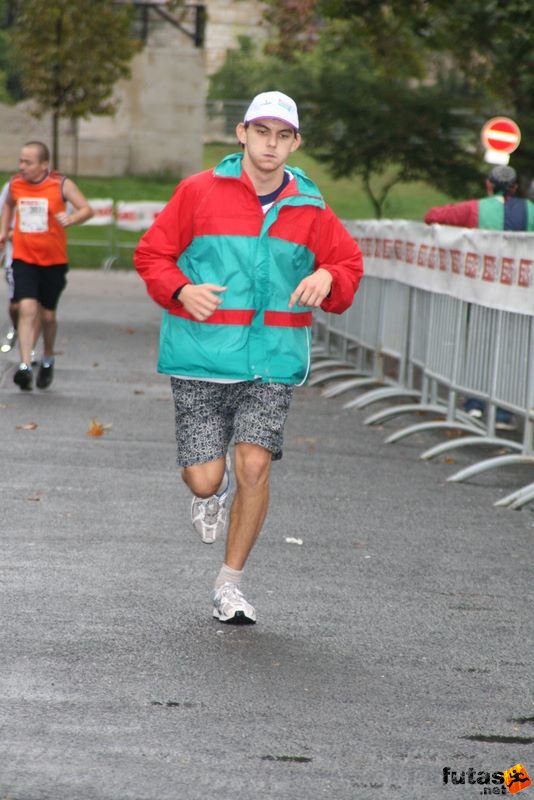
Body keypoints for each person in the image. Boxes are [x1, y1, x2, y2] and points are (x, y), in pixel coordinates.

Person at [134, 90, 363, 625]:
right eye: (262, 132)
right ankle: (209, 496)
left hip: (271, 360)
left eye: (283, 136)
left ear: (296, 142)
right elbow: (152, 254)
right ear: (242, 133)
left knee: (254, 465)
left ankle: (230, 583)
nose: (271, 145)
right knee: (205, 479)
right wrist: (180, 290)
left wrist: (328, 275)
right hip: (200, 356)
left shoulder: (309, 203)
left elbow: (347, 262)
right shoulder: (198, 191)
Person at [424, 165, 534, 430]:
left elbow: (433, 216)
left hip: (481, 289)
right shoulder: (529, 210)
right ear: (515, 188)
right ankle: (505, 412)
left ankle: (474, 404)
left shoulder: (474, 209)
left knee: (479, 344)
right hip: (521, 294)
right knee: (515, 350)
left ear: (488, 185)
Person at [0, 141, 93, 390]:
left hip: (53, 261)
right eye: (20, 161)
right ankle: (24, 366)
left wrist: (71, 217)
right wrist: (3, 232)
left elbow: (87, 209)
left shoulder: (61, 184)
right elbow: (8, 204)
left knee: (48, 315)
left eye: (28, 162)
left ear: (44, 164)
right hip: (24, 258)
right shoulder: (15, 184)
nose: (22, 166)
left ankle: (48, 358)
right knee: (27, 307)